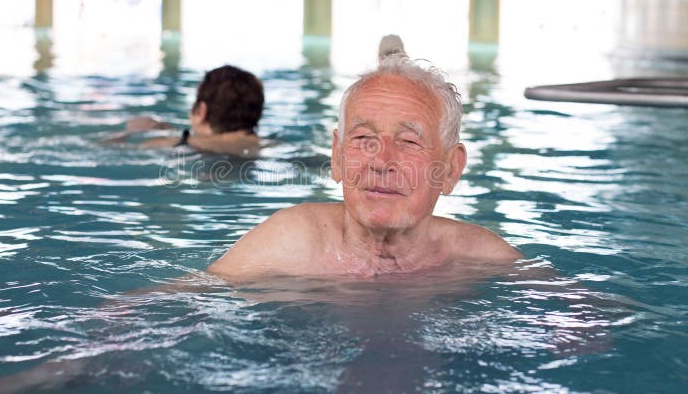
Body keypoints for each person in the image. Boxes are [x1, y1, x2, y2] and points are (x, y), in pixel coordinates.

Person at [208, 47, 521, 280]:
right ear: (337, 157)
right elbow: (179, 305)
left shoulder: (480, 259)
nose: (381, 161)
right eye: (362, 139)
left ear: (451, 168)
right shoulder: (290, 244)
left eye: (409, 142)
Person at [105, 65, 264, 156]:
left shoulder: (182, 143)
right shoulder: (266, 144)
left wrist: (125, 135)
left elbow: (111, 151)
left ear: (201, 111)